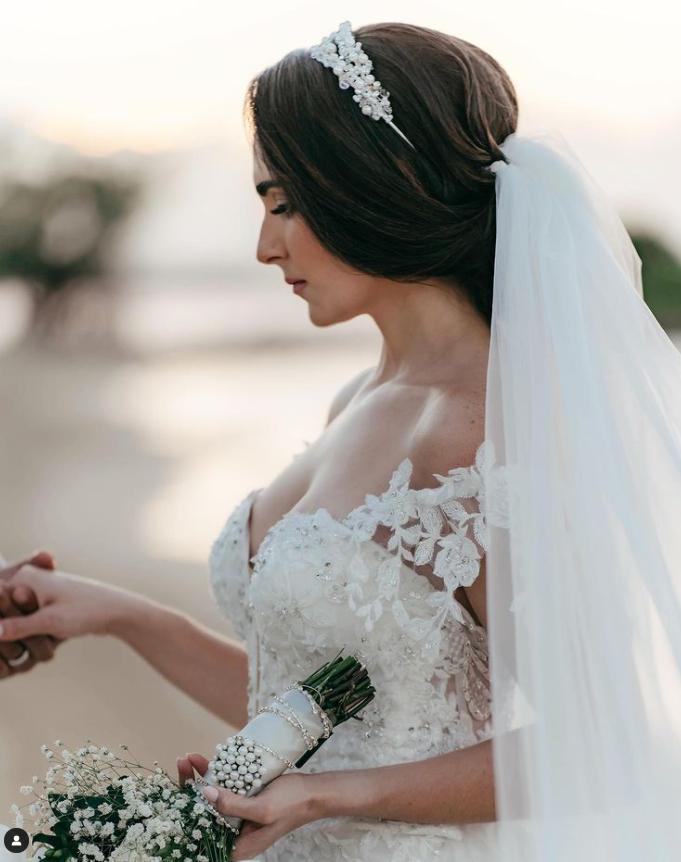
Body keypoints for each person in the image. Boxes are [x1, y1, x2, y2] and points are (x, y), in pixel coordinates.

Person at [3, 19, 678, 862]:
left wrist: (327, 795)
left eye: (284, 203)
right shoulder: (357, 398)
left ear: (378, 182)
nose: (263, 245)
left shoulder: (490, 433)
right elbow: (324, 710)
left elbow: (604, 747)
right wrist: (125, 617)